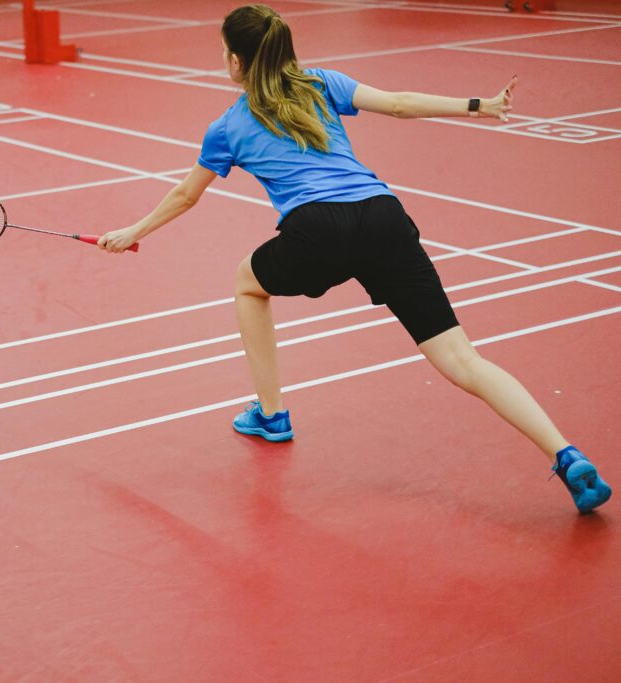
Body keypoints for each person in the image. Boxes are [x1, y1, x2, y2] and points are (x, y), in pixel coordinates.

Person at [96, 4, 611, 514]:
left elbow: (187, 195)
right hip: (384, 216)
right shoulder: (321, 83)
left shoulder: (228, 126)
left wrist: (131, 232)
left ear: (235, 62)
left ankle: (272, 414)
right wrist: (480, 105)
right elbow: (401, 103)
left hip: (318, 230)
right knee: (462, 361)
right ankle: (565, 455)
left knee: (247, 284)